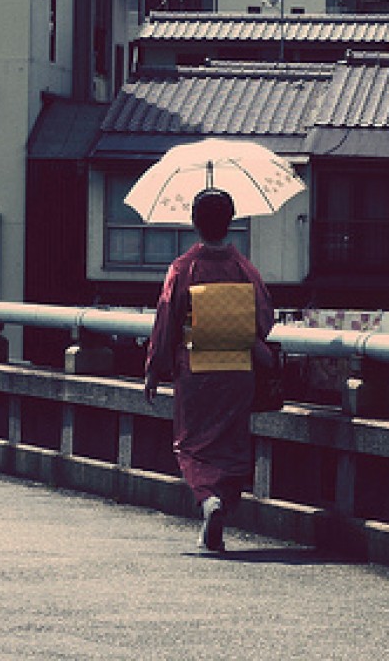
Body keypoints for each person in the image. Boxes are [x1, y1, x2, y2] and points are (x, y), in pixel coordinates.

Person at [144, 188, 274, 552]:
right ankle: (222, 505)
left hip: (196, 368)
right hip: (237, 370)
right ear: (230, 221)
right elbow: (264, 319)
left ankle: (208, 501)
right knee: (232, 443)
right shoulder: (244, 268)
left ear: (194, 222)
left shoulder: (184, 268)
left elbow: (166, 322)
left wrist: (154, 368)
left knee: (193, 445)